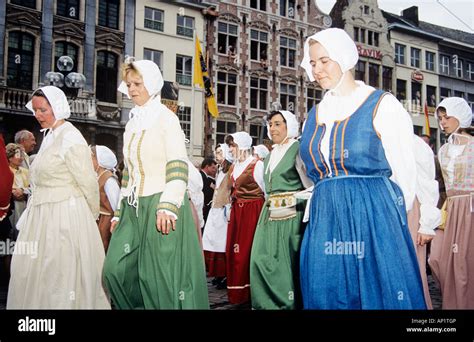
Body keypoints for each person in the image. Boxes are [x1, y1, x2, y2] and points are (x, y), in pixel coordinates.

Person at [298, 28, 426, 309]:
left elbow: (404, 172)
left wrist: (384, 223)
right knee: (326, 290)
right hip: (325, 216)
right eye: (313, 62)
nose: (317, 69)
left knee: (377, 292)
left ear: (343, 58)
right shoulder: (313, 115)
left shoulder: (381, 104)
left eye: (324, 60)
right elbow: (313, 171)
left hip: (371, 213)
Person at [103, 59, 209, 309]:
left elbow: (177, 164)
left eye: (137, 83)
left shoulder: (166, 118)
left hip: (161, 202)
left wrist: (168, 205)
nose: (132, 89)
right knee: (114, 270)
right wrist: (119, 211)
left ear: (151, 83)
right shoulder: (131, 123)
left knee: (159, 277)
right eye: (129, 84)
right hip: (133, 206)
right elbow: (128, 172)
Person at [7, 86, 110, 309]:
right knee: (33, 272)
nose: (37, 115)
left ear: (57, 107)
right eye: (35, 110)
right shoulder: (49, 137)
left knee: (59, 273)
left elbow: (87, 181)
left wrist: (88, 221)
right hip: (41, 216)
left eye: (43, 110)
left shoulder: (70, 137)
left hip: (64, 215)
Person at [250, 110, 308, 309]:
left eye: (277, 124)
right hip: (269, 215)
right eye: (270, 125)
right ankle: (266, 304)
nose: (272, 128)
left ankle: (287, 304)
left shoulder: (298, 149)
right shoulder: (270, 155)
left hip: (291, 216)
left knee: (284, 265)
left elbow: (309, 184)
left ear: (289, 125)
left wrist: (297, 200)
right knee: (260, 260)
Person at [429, 97, 473, 309]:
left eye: (447, 117)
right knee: (437, 259)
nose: (443, 122)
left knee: (466, 264)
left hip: (471, 209)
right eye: (440, 118)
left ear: (461, 116)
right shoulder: (443, 151)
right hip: (451, 209)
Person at [225, 132, 265, 305]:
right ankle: (238, 293)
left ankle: (252, 292)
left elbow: (266, 191)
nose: (231, 149)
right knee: (235, 251)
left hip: (253, 212)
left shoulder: (257, 165)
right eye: (230, 146)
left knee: (248, 251)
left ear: (242, 145)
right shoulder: (234, 167)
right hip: (237, 213)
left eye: (233, 145)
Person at [407, 135, 441, 309]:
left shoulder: (415, 144)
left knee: (411, 268)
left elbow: (427, 182)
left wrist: (426, 224)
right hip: (380, 208)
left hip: (409, 209)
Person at [202, 144, 233, 289]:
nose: (217, 156)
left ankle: (225, 275)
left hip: (223, 210)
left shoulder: (230, 169)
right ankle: (218, 274)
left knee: (222, 243)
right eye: (216, 153)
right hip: (216, 210)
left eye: (220, 153)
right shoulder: (220, 171)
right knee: (214, 242)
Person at [90, 145, 120, 252]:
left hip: (105, 222)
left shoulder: (108, 180)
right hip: (98, 220)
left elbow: (116, 204)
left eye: (91, 158)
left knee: (103, 247)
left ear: (99, 161)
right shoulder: (98, 176)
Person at [6, 143, 29, 236]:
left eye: (22, 155)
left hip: (25, 204)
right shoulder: (5, 171)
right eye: (18, 155)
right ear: (10, 157)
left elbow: (32, 186)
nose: (21, 158)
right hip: (11, 207)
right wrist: (12, 192)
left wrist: (24, 191)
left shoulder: (26, 171)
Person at [200, 158, 217, 224]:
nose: (215, 170)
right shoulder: (202, 176)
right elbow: (205, 193)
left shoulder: (206, 178)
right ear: (207, 167)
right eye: (213, 167)